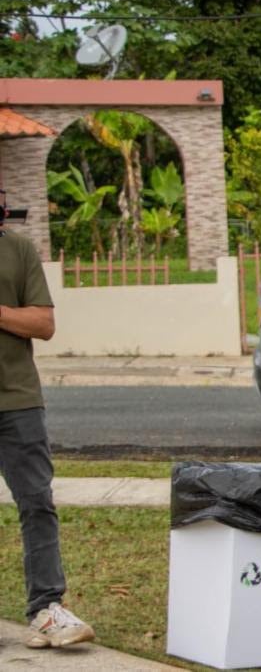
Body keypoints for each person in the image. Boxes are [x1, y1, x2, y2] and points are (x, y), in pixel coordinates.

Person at [0, 189, 95, 649]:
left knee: (37, 502)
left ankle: (46, 610)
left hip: (16, 399)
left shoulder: (16, 249)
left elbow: (43, 323)